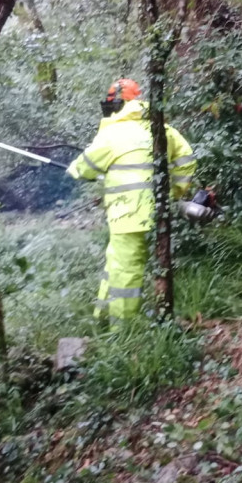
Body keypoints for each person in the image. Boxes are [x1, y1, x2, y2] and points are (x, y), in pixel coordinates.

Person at [67, 79, 196, 323]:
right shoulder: (161, 128)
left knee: (124, 270)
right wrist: (176, 193)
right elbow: (186, 159)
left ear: (116, 104)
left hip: (127, 216)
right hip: (159, 211)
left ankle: (121, 330)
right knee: (121, 261)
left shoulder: (112, 133)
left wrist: (74, 169)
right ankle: (103, 314)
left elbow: (84, 169)